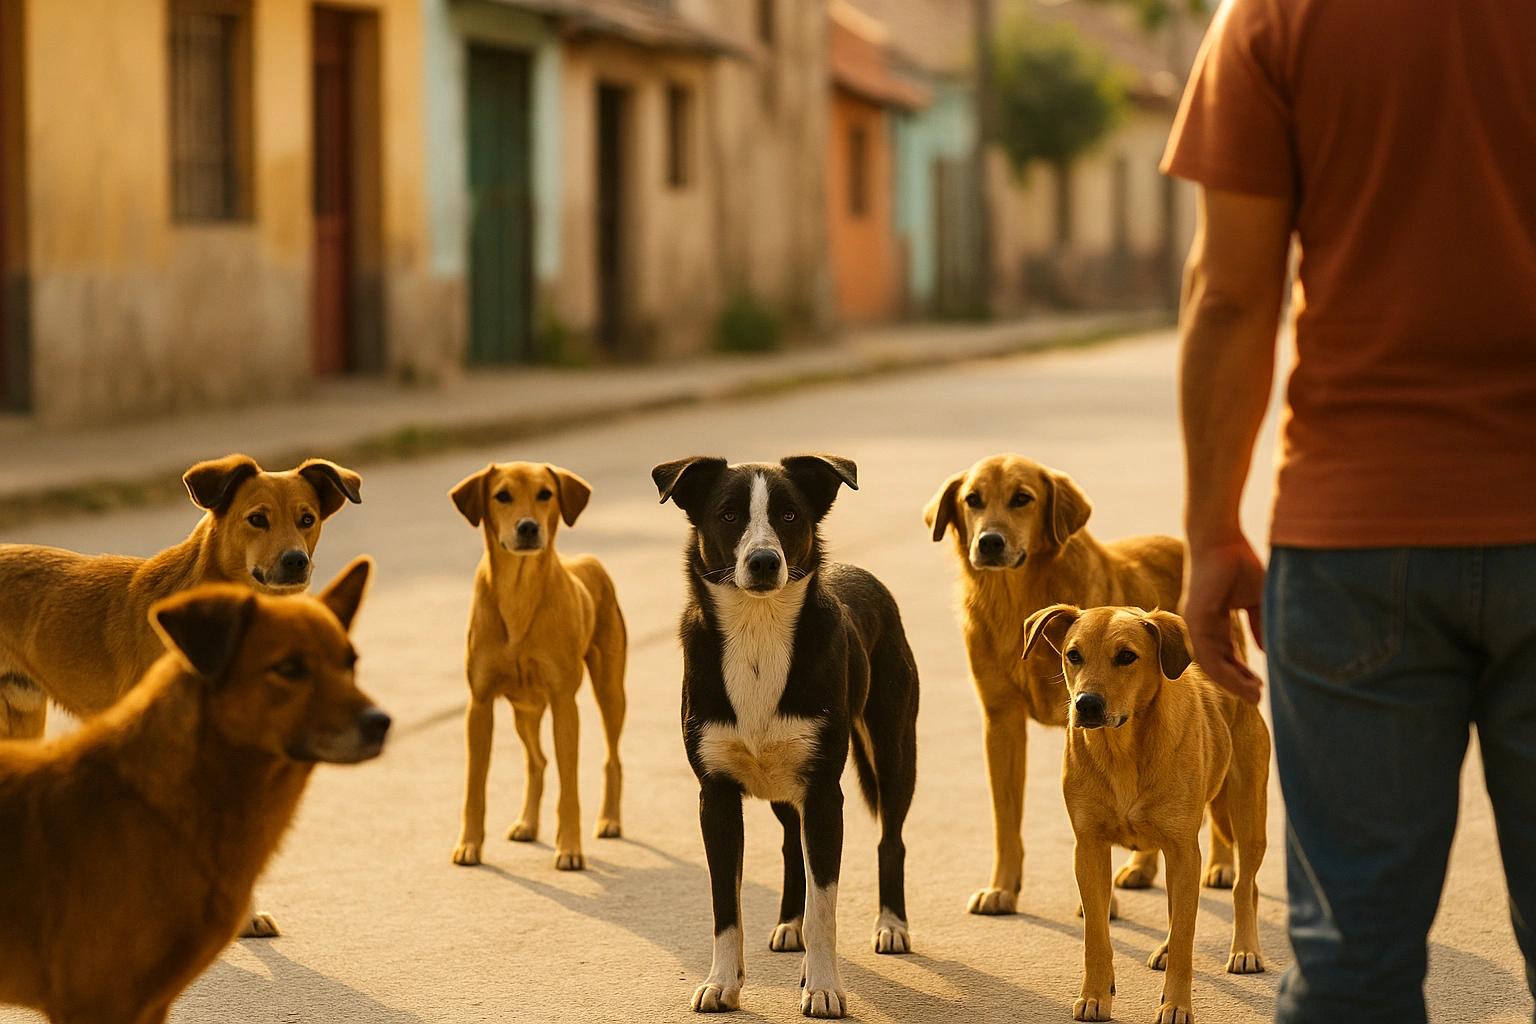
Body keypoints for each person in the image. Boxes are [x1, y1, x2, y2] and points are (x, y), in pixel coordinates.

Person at [1162, 1, 1536, 1022]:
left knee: (1352, 964)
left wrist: (1209, 534)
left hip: (1357, 541)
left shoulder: (1274, 16)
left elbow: (1232, 295)